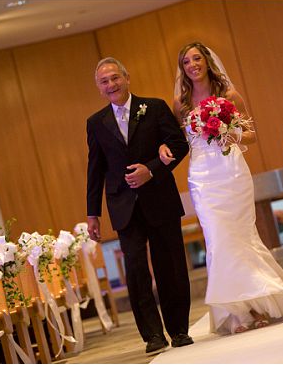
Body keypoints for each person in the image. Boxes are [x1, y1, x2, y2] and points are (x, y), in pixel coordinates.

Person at [159, 41, 283, 335]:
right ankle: (237, 312)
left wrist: (229, 132)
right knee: (218, 239)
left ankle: (257, 306)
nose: (192, 65)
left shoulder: (229, 95)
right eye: (186, 62)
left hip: (231, 170)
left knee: (240, 236)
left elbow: (252, 135)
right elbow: (178, 141)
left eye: (197, 58)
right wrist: (162, 147)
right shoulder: (180, 104)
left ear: (207, 61)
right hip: (202, 176)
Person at [86, 57, 193, 354]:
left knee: (169, 265)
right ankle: (153, 335)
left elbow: (179, 144)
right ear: (99, 87)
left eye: (115, 78)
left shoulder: (154, 107)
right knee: (135, 270)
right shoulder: (95, 123)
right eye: (104, 81)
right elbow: (95, 169)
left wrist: (152, 169)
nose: (111, 84)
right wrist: (92, 213)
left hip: (160, 198)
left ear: (126, 78)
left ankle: (179, 330)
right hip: (123, 205)